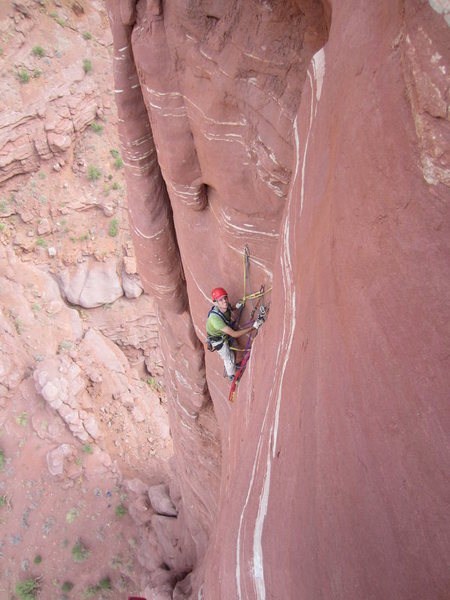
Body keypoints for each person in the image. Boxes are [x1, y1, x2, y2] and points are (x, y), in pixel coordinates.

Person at [206, 287, 264, 381]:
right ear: (216, 302)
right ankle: (231, 376)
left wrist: (235, 307)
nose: (224, 301)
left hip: (223, 334)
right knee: (229, 359)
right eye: (221, 299)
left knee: (234, 346)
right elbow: (234, 334)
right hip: (218, 341)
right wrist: (254, 327)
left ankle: (233, 367)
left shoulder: (224, 306)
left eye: (225, 297)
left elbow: (228, 308)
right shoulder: (215, 319)